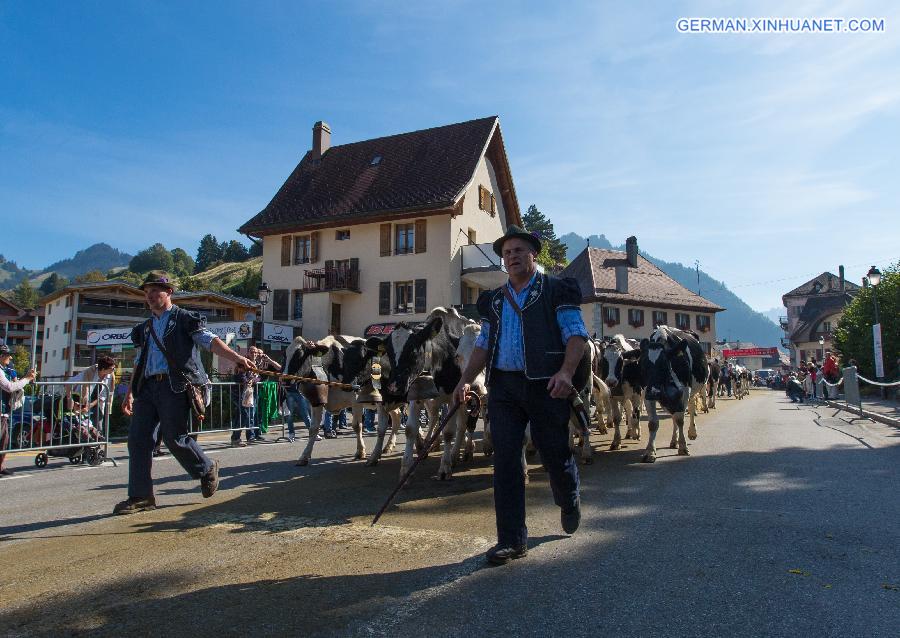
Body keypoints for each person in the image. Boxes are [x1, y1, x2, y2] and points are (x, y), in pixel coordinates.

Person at [453, 225, 589, 566]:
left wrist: (566, 373)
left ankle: (568, 496)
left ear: (534, 255)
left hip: (546, 385)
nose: (511, 256)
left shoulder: (557, 290)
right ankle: (511, 540)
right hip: (505, 389)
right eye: (507, 252)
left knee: (554, 452)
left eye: (518, 250)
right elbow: (484, 344)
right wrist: (465, 380)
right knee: (507, 460)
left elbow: (576, 336)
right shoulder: (495, 301)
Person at [114, 271, 253, 515]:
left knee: (174, 437)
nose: (150, 296)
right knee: (138, 439)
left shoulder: (184, 319)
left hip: (175, 386)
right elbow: (139, 360)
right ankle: (141, 496)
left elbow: (210, 341)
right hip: (147, 388)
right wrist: (130, 393)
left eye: (155, 290)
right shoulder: (145, 329)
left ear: (169, 292)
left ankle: (206, 467)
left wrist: (238, 357)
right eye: (147, 292)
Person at [0, 344, 36, 475]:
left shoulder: (6, 369)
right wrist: (26, 379)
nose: (10, 357)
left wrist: (26, 377)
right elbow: (9, 387)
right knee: (3, 440)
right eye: (7, 355)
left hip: (4, 411)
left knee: (4, 440)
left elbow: (15, 385)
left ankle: (1, 466)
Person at [67, 354, 117, 428]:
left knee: (98, 423)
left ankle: (98, 436)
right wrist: (70, 399)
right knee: (81, 425)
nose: (113, 370)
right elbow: (70, 386)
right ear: (103, 369)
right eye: (112, 368)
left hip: (95, 403)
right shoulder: (88, 372)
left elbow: (104, 395)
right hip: (79, 401)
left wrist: (91, 405)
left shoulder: (111, 376)